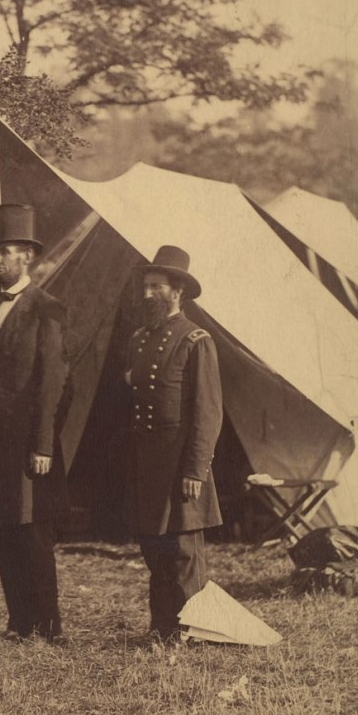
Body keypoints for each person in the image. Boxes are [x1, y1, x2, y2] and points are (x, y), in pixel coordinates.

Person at [0, 204, 71, 642]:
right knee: (1, 535)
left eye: (4, 252)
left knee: (32, 537)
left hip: (30, 448)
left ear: (26, 256)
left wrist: (43, 445)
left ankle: (48, 626)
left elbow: (53, 383)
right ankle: (19, 621)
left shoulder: (49, 309)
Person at [124, 245, 223, 642]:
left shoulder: (196, 340)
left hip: (182, 465)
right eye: (145, 286)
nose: (148, 294)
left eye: (156, 286)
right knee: (155, 549)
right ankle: (162, 626)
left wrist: (195, 470)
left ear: (177, 290)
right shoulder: (140, 339)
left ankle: (193, 630)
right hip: (149, 465)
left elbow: (208, 412)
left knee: (184, 553)